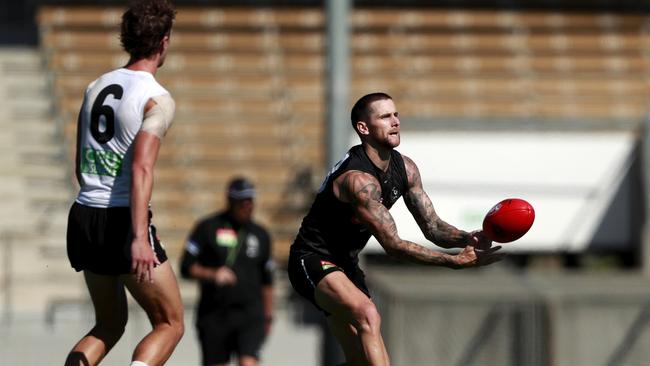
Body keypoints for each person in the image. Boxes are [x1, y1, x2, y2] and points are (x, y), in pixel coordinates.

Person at [287, 92, 504, 365]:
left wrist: (468, 237)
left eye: (396, 115)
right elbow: (394, 246)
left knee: (360, 359)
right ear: (363, 128)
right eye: (385, 116)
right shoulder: (357, 180)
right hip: (311, 259)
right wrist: (453, 262)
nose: (395, 122)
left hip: (346, 264)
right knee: (368, 314)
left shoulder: (406, 168)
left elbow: (433, 227)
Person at [64, 1, 184, 365]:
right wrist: (137, 237)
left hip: (85, 213)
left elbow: (80, 160)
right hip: (121, 219)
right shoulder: (156, 99)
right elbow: (142, 169)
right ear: (163, 42)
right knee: (170, 322)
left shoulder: (96, 85)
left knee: (109, 322)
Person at [180, 177, 275, 366]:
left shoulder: (261, 234)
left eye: (250, 200)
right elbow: (186, 267)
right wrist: (213, 274)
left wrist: (268, 316)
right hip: (215, 314)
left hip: (250, 314)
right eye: (242, 201)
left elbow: (267, 280)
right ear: (230, 200)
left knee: (248, 362)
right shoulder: (207, 227)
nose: (247, 205)